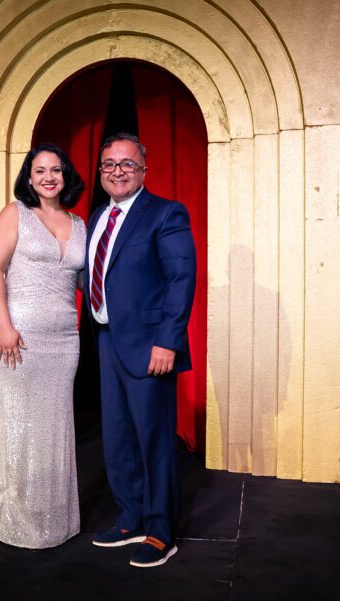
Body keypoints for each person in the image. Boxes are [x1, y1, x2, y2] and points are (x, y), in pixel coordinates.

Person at [82, 133, 197, 568]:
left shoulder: (165, 212)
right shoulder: (96, 217)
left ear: (144, 170)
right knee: (118, 438)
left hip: (150, 345)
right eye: (109, 164)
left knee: (153, 440)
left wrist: (168, 340)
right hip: (107, 340)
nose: (117, 171)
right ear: (100, 172)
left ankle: (162, 532)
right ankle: (129, 518)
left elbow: (181, 278)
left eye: (127, 164)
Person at [0, 143, 87, 549]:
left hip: (64, 340)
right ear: (29, 178)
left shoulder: (79, 224)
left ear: (66, 176)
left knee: (55, 426)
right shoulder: (16, 214)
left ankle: (53, 519)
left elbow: (86, 282)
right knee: (19, 423)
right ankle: (15, 520)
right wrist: (5, 326)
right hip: (19, 335)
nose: (48, 177)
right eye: (40, 170)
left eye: (56, 170)